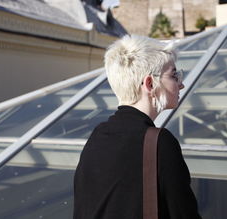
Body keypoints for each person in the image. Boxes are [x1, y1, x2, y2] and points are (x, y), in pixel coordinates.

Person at [73, 35, 202, 219]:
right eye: (174, 75)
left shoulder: (96, 136)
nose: (181, 84)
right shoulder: (160, 143)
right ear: (150, 84)